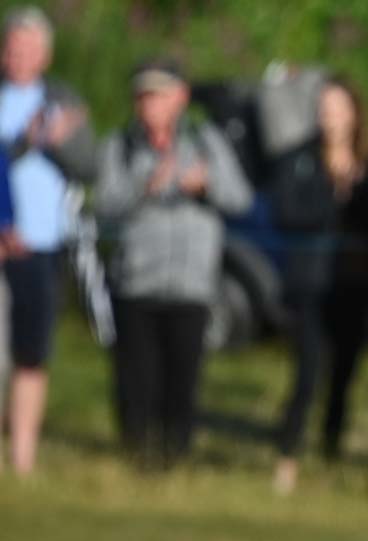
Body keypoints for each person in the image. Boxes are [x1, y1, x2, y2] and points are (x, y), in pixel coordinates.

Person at [93, 59, 251, 471]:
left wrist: (207, 184)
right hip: (137, 283)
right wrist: (145, 187)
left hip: (191, 284)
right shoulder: (121, 145)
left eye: (160, 95)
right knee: (136, 379)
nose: (151, 105)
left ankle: (175, 459)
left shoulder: (205, 141)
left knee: (182, 380)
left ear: (180, 98)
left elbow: (241, 199)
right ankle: (135, 457)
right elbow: (104, 208)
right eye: (144, 96)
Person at [267, 77, 368, 495]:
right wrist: (333, 190)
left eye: (338, 108)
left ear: (354, 113)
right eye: (324, 109)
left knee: (344, 375)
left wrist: (359, 188)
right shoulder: (298, 159)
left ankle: (330, 448)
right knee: (307, 372)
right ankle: (287, 457)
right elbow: (287, 213)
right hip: (311, 284)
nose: (330, 118)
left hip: (354, 284)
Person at [0, 4, 94, 477]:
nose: (20, 55)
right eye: (13, 46)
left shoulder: (63, 101)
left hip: (41, 243)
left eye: (30, 48)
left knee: (31, 353)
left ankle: (22, 459)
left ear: (46, 56)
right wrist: (27, 141)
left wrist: (57, 141)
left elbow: (89, 166)